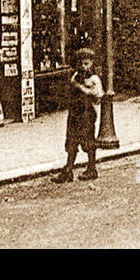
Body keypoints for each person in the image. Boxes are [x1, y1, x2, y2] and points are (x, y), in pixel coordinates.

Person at [55, 47, 103, 182]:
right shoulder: (76, 76)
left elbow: (98, 94)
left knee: (88, 140)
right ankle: (68, 169)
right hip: (75, 112)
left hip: (87, 113)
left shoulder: (94, 78)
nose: (83, 66)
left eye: (86, 63)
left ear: (92, 63)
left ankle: (92, 168)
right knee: (71, 140)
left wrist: (81, 87)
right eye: (81, 63)